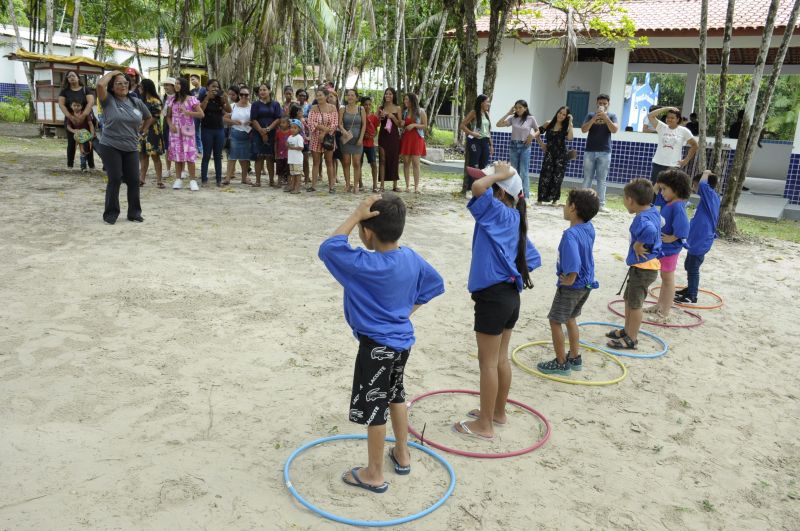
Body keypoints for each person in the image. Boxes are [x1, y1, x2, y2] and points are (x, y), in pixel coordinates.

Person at [318, 193, 445, 493]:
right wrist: (403, 313)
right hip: (401, 342)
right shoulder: (411, 258)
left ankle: (374, 473)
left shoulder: (363, 263)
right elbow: (435, 283)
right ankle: (402, 452)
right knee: (396, 394)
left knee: (374, 407)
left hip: (375, 346)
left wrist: (355, 215)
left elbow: (329, 248)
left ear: (368, 232)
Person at [454, 162, 541, 440]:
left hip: (493, 297)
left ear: (500, 192)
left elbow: (478, 188)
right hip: (509, 296)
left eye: (493, 183)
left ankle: (485, 426)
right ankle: (497, 413)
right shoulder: (515, 218)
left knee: (488, 363)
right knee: (500, 358)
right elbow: (533, 259)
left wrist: (503, 175)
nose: (485, 184)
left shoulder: (498, 211)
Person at [536, 189, 600, 375]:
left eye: (566, 203)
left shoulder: (570, 235)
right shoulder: (589, 227)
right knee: (571, 318)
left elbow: (574, 264)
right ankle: (574, 356)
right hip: (586, 285)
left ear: (573, 208)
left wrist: (570, 279)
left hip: (572, 286)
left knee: (555, 321)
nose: (564, 207)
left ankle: (561, 362)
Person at [605, 179, 662, 350]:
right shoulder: (652, 210)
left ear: (630, 200)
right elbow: (660, 224)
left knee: (635, 304)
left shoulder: (642, 219)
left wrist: (639, 244)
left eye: (624, 198)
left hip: (644, 268)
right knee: (629, 300)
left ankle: (632, 339)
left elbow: (651, 230)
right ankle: (627, 330)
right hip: (643, 266)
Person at [95, 70, 154, 224]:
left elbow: (149, 117)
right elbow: (100, 84)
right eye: (118, 83)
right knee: (115, 178)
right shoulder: (108, 100)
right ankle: (111, 214)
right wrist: (114, 72)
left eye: (125, 83)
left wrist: (143, 130)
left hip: (131, 147)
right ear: (112, 87)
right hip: (110, 145)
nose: (123, 85)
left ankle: (134, 213)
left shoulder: (136, 102)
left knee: (134, 180)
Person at [646, 169, 691, 320]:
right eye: (662, 188)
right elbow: (654, 193)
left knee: (668, 278)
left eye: (665, 189)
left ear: (676, 189)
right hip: (664, 249)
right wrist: (660, 183)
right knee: (664, 277)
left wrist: (674, 237)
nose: (661, 191)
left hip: (671, 249)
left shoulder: (677, 206)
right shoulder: (669, 202)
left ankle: (665, 311)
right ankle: (659, 305)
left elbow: (684, 226)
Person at [675, 170, 720, 304]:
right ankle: (690, 289)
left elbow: (703, 185)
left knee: (693, 267)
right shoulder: (708, 198)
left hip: (702, 239)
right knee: (689, 265)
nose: (693, 188)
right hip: (697, 239)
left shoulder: (710, 195)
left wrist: (706, 173)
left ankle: (692, 295)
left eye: (694, 185)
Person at [581, 94, 618, 213]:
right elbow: (584, 130)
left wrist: (605, 118)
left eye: (604, 104)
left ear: (608, 104)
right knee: (587, 178)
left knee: (602, 179)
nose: (602, 105)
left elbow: (614, 130)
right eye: (600, 103)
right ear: (596, 103)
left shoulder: (612, 116)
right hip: (590, 151)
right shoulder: (590, 115)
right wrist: (594, 118)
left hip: (605, 151)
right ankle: (582, 202)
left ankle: (601, 204)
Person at [166, 77, 204, 191]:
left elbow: (201, 114)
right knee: (178, 155)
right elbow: (168, 116)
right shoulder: (172, 100)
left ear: (183, 85)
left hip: (187, 132)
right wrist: (170, 125)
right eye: (175, 83)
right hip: (175, 132)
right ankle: (178, 179)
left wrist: (188, 112)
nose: (176, 85)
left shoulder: (191, 99)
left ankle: (192, 180)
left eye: (178, 83)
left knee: (190, 156)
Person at [495, 100, 538, 200]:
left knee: (524, 172)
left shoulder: (530, 118)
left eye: (520, 107)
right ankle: (514, 195)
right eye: (516, 108)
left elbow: (538, 130)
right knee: (514, 171)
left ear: (525, 108)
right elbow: (498, 124)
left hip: (525, 146)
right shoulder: (513, 118)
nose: (518, 110)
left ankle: (526, 197)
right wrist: (508, 113)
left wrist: (532, 136)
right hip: (513, 146)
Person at [647, 106, 698, 183]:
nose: (669, 119)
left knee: (670, 190)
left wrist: (686, 160)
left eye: (672, 118)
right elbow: (650, 115)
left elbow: (695, 145)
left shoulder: (683, 131)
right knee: (655, 189)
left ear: (677, 119)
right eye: (668, 117)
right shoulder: (661, 127)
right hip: (658, 163)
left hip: (673, 166)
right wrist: (666, 108)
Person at [536, 106, 574, 206]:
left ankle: (554, 199)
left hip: (561, 155)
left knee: (557, 177)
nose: (561, 115)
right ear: (557, 112)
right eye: (560, 113)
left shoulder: (566, 127)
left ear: (566, 116)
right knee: (545, 175)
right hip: (549, 154)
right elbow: (537, 132)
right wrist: (542, 144)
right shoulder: (549, 123)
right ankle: (540, 198)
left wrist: (570, 124)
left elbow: (570, 138)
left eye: (564, 114)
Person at [58, 71, 96, 171]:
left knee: (86, 142)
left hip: (85, 119)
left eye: (73, 76)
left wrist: (83, 115)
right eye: (69, 76)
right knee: (71, 143)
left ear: (78, 78)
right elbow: (61, 104)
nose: (71, 78)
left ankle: (91, 165)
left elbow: (91, 102)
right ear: (67, 79)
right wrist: (70, 117)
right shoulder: (64, 91)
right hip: (71, 119)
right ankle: (70, 165)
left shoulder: (85, 89)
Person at [199, 79, 231, 187]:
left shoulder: (219, 99)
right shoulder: (203, 97)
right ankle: (204, 179)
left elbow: (229, 110)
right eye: (213, 86)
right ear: (207, 87)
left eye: (217, 87)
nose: (215, 89)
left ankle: (218, 180)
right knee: (206, 155)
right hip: (206, 129)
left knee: (218, 155)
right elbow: (201, 111)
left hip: (219, 129)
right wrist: (207, 97)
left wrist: (226, 99)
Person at [250, 83, 282, 187]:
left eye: (264, 90)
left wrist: (268, 129)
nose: (262, 92)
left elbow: (278, 118)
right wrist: (261, 131)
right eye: (260, 90)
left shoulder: (276, 104)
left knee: (270, 157)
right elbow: (253, 119)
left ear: (269, 91)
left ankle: (271, 180)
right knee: (259, 157)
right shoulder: (255, 104)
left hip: (272, 133)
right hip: (257, 132)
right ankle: (258, 181)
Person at [307, 88, 339, 192]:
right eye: (317, 95)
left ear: (326, 96)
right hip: (316, 138)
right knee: (316, 162)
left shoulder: (332, 108)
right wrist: (322, 129)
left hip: (328, 138)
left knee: (329, 162)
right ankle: (313, 186)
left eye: (320, 95)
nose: (319, 97)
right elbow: (310, 122)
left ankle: (331, 186)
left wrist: (325, 133)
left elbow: (335, 123)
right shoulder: (313, 108)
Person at [460, 95, 493, 192]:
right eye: (487, 101)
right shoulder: (474, 112)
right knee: (474, 165)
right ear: (481, 102)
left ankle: (481, 189)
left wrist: (491, 145)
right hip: (475, 141)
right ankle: (470, 189)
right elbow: (462, 125)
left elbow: (488, 131)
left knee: (484, 166)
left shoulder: (486, 114)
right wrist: (472, 133)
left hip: (485, 141)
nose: (489, 104)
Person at [222, 86, 252, 185]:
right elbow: (224, 118)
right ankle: (228, 178)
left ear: (249, 96)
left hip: (247, 135)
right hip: (235, 134)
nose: (244, 96)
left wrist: (250, 122)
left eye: (246, 95)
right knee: (232, 157)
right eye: (242, 94)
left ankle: (244, 178)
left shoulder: (252, 107)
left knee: (245, 158)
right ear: (239, 95)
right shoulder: (233, 105)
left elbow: (256, 120)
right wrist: (233, 122)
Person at [137, 79, 165, 187]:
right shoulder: (142, 101)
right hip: (142, 130)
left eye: (140, 86)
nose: (139, 88)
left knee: (155, 156)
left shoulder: (155, 101)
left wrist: (145, 127)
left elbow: (155, 117)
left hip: (153, 131)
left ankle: (159, 180)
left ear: (145, 88)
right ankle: (142, 179)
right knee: (143, 155)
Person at [339, 88, 366, 193]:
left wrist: (361, 138)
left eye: (352, 95)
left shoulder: (361, 109)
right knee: (346, 162)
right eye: (348, 95)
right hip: (346, 140)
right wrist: (343, 130)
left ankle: (356, 185)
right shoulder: (342, 108)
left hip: (357, 140)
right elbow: (339, 123)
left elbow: (364, 125)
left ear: (356, 97)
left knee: (356, 163)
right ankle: (347, 184)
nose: (350, 97)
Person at [399, 93, 427, 194]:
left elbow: (424, 125)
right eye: (404, 99)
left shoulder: (421, 111)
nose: (405, 101)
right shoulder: (405, 112)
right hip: (406, 138)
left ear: (412, 100)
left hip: (417, 139)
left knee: (416, 163)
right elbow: (403, 125)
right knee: (406, 162)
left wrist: (414, 125)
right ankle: (407, 186)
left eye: (407, 99)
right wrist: (402, 123)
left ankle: (416, 187)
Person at [378, 87, 402, 192]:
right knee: (382, 159)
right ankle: (382, 185)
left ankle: (394, 185)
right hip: (383, 135)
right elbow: (377, 121)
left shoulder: (398, 108)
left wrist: (392, 117)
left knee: (394, 159)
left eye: (390, 94)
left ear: (393, 96)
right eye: (386, 94)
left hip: (393, 136)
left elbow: (399, 124)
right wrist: (380, 116)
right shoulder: (380, 107)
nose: (388, 95)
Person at [65, 101, 94, 172]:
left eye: (78, 105)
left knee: (83, 151)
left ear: (81, 106)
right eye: (74, 105)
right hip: (76, 136)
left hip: (84, 136)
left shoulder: (85, 114)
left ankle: (83, 166)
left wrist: (92, 134)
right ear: (71, 106)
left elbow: (90, 124)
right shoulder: (70, 115)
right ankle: (70, 165)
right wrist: (73, 130)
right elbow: (68, 126)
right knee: (72, 149)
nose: (76, 107)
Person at [361, 96, 380, 192]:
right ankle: (360, 183)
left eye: (369, 104)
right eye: (365, 105)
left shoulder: (374, 117)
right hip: (360, 143)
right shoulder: (359, 116)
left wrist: (372, 136)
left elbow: (376, 131)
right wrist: (363, 135)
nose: (367, 106)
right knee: (358, 164)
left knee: (373, 164)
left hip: (370, 144)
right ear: (362, 105)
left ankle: (375, 185)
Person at [161, 77, 177, 178]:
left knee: (179, 147)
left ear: (173, 86)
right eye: (164, 85)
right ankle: (168, 169)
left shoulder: (179, 97)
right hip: (166, 123)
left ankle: (182, 169)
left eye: (167, 85)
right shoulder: (163, 97)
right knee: (168, 147)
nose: (165, 87)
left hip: (178, 123)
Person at [287, 119, 305, 194]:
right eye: (291, 127)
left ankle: (297, 188)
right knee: (293, 174)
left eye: (295, 128)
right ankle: (293, 186)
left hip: (297, 160)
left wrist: (292, 147)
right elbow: (287, 144)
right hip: (291, 159)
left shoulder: (299, 137)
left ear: (299, 129)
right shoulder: (290, 137)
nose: (293, 129)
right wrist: (287, 145)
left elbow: (301, 147)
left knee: (298, 174)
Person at [275, 116, 292, 188]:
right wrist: (276, 153)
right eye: (280, 123)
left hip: (289, 155)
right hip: (280, 154)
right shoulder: (278, 132)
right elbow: (276, 143)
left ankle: (289, 183)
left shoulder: (291, 132)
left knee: (288, 170)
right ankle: (279, 182)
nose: (281, 124)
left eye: (283, 123)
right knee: (279, 169)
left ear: (288, 124)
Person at [189, 74, 203, 155]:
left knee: (204, 132)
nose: (192, 81)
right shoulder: (191, 92)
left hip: (203, 114)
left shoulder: (203, 90)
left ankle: (204, 148)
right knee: (196, 131)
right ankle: (199, 149)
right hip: (195, 114)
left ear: (198, 80)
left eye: (193, 79)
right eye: (191, 80)